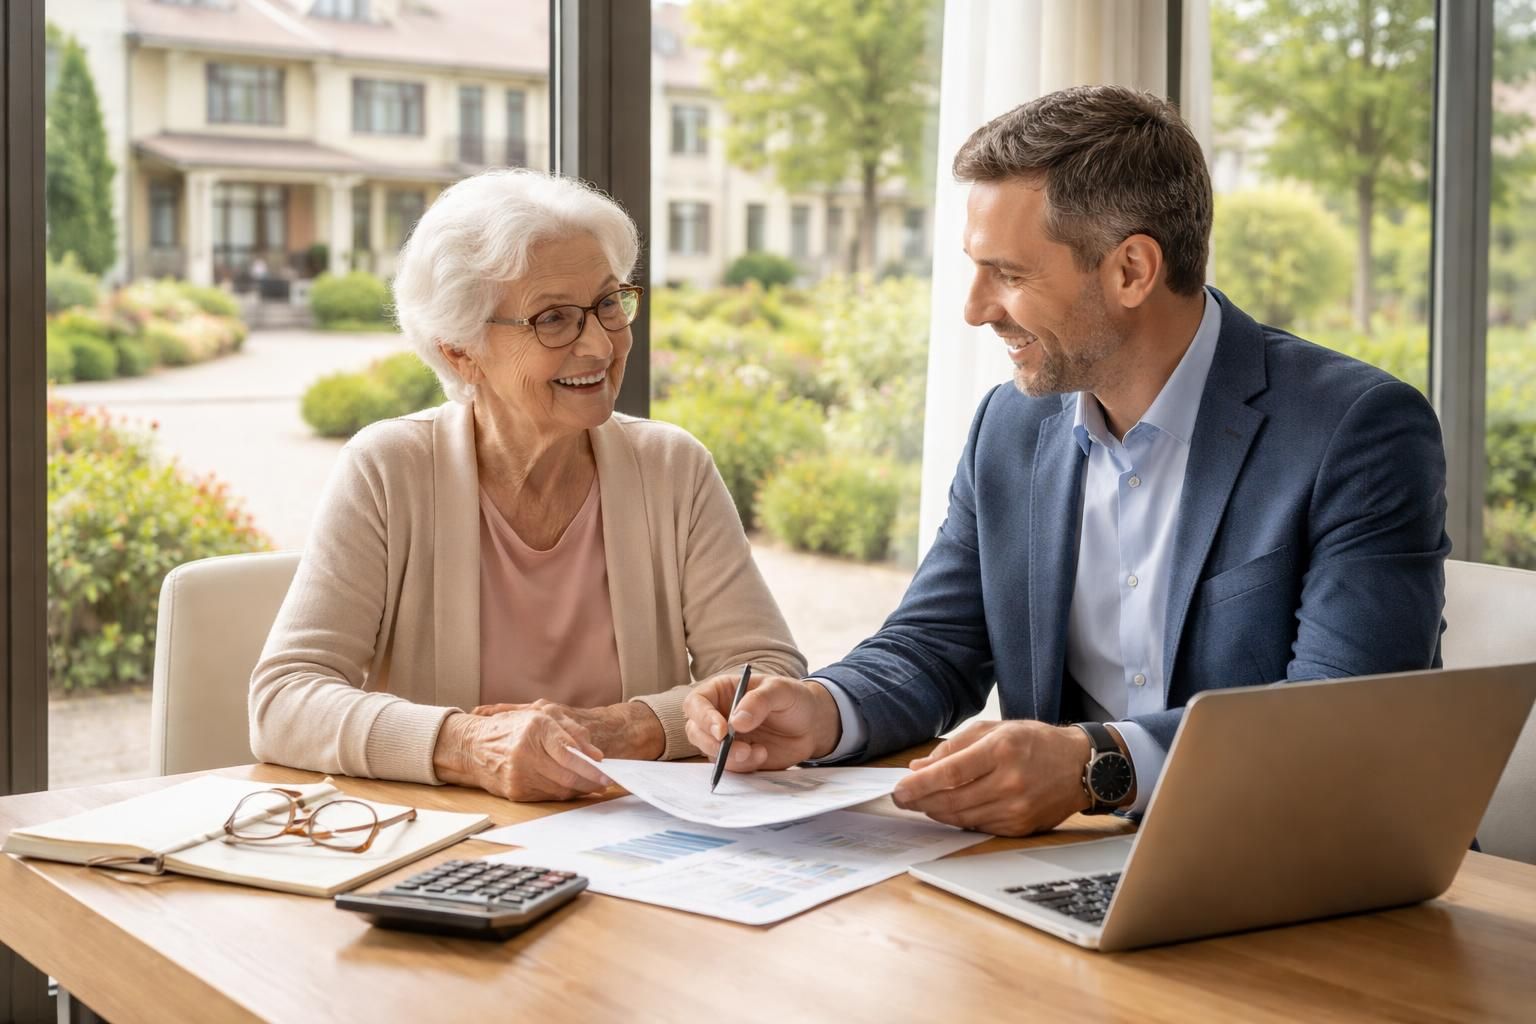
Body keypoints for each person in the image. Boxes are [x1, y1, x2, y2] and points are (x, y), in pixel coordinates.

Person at [684, 85, 1450, 836]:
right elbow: (934, 646)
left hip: (1306, 867)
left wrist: (1097, 764)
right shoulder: (1011, 427)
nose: (976, 308)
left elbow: (1343, 713)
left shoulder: (1356, 429)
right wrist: (821, 710)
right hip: (1076, 875)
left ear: (1131, 271)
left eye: (1010, 275)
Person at [251, 169, 805, 802]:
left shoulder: (673, 468)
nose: (599, 344)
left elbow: (767, 679)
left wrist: (623, 728)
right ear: (460, 350)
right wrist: (468, 746)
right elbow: (284, 700)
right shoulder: (388, 469)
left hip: (641, 845)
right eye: (553, 320)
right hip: (452, 855)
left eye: (605, 304)